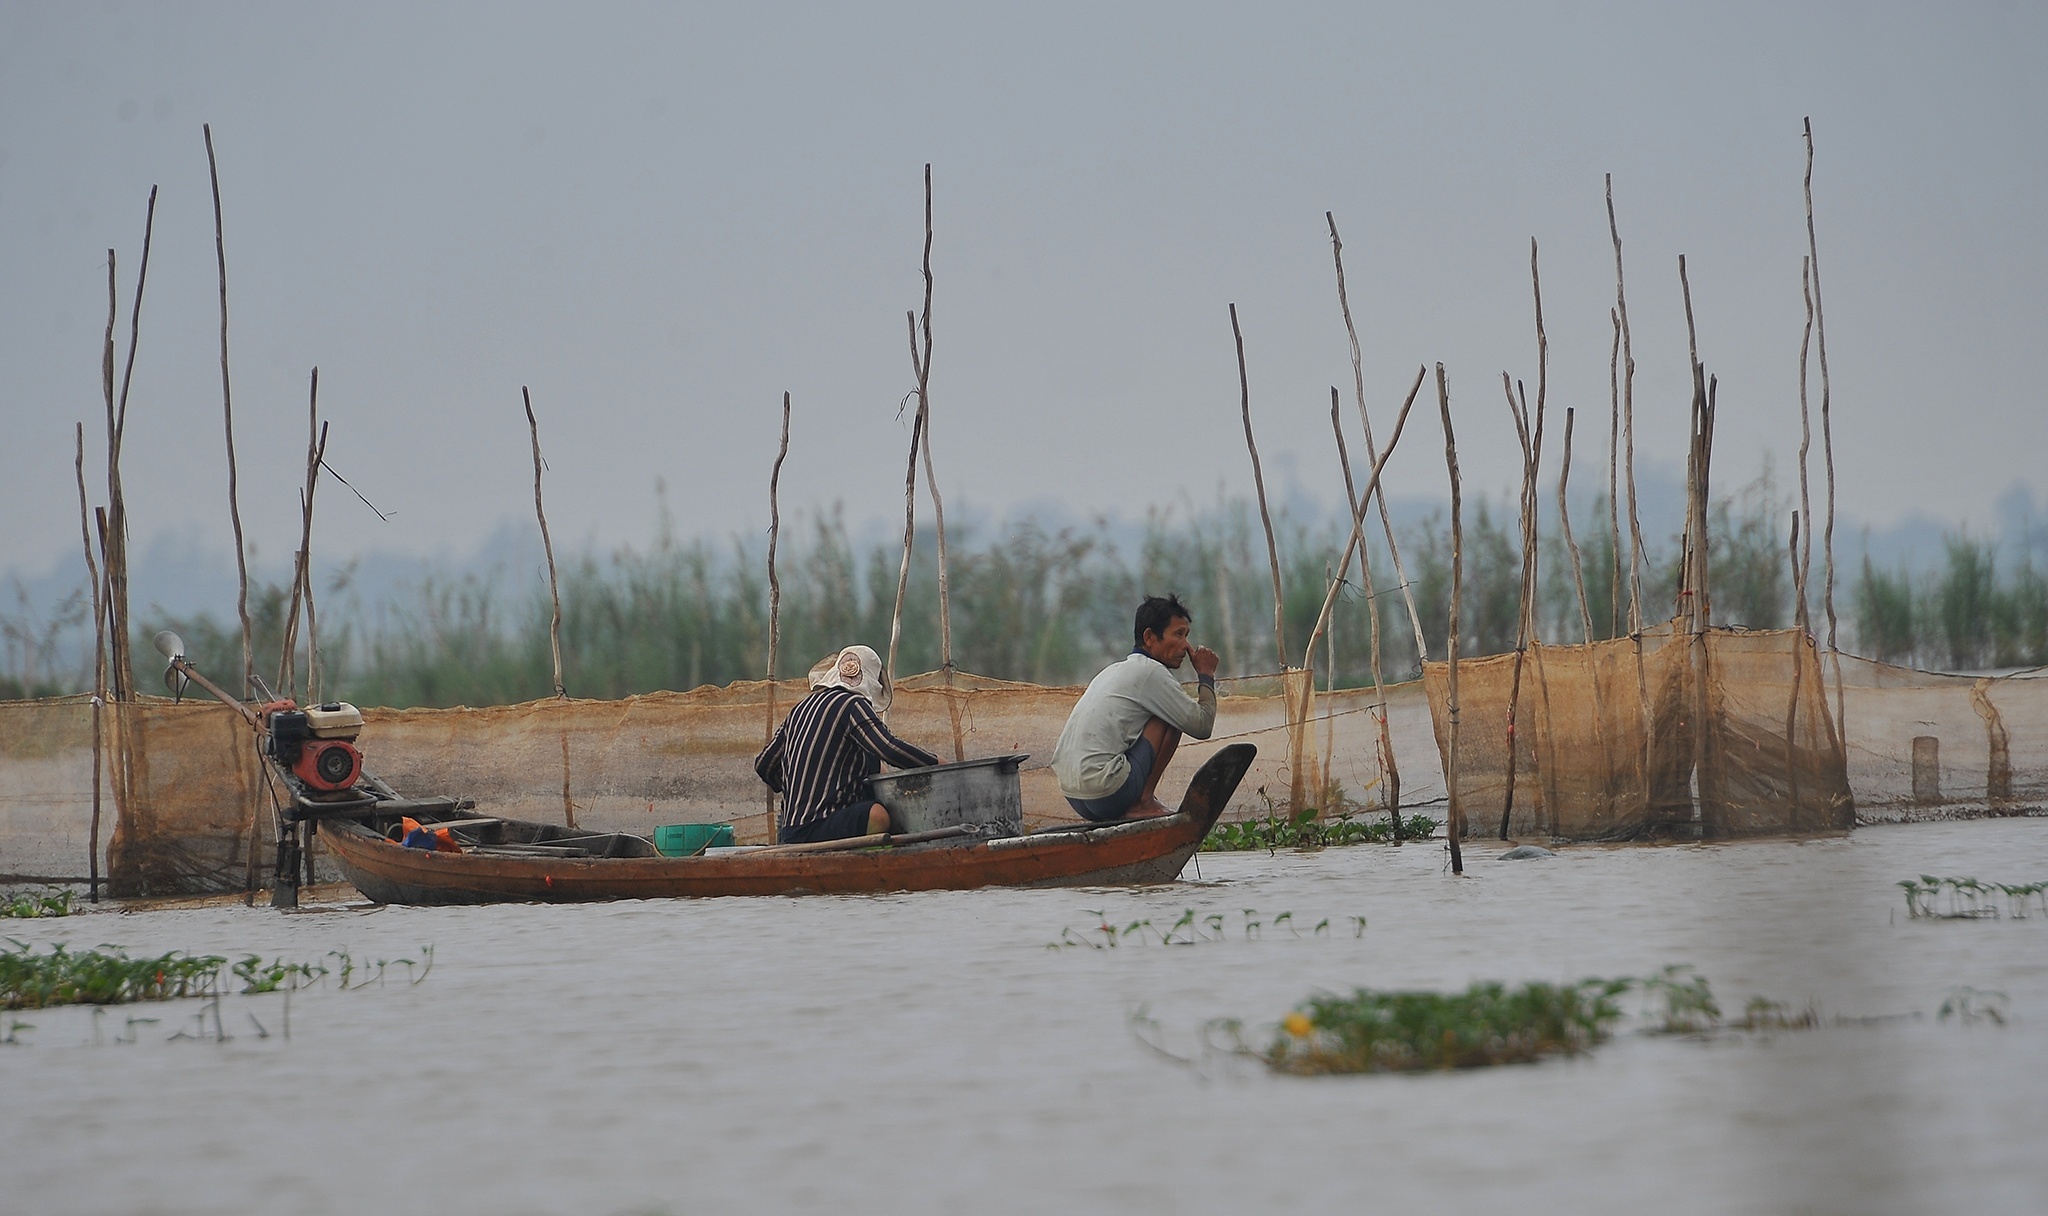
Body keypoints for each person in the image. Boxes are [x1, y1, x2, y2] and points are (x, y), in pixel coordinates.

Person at [1051, 594, 1219, 821]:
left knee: (1169, 710)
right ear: (1149, 637)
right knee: (1171, 717)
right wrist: (1206, 676)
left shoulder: (1111, 671)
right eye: (1178, 634)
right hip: (1108, 793)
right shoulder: (1150, 671)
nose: (1186, 646)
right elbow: (1201, 725)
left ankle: (1139, 801)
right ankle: (1144, 801)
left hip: (1074, 795)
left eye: (1186, 635)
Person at [755, 644, 940, 844]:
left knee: (869, 769)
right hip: (819, 829)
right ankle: (869, 866)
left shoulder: (800, 709)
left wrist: (799, 788)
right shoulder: (853, 704)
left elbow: (764, 765)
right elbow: (888, 748)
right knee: (877, 815)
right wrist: (936, 764)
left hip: (790, 832)